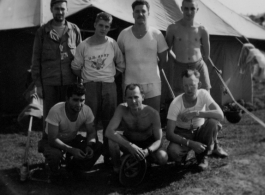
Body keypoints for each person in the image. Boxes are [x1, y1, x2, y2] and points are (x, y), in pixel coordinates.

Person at [71, 12, 125, 165]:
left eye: (107, 26)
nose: (103, 29)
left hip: (109, 85)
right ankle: (92, 153)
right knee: (91, 121)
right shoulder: (84, 45)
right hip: (91, 86)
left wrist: (110, 78)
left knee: (109, 121)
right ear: (95, 25)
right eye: (101, 25)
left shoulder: (112, 43)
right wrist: (86, 78)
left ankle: (109, 153)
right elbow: (75, 67)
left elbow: (121, 64)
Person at [31, 0, 82, 131]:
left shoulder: (74, 30)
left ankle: (69, 148)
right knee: (50, 118)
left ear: (67, 10)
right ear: (51, 9)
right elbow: (36, 60)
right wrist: (38, 85)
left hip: (70, 83)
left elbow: (81, 58)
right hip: (49, 84)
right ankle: (50, 149)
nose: (60, 12)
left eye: (62, 9)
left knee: (69, 117)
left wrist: (80, 83)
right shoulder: (42, 32)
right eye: (57, 9)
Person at [166, 69, 227, 171]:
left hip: (200, 131)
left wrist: (196, 114)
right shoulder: (176, 103)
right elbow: (169, 134)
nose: (189, 89)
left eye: (192, 85)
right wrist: (190, 143)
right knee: (173, 151)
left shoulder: (203, 94)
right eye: (185, 85)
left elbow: (220, 114)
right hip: (183, 133)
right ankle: (181, 157)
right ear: (182, 85)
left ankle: (202, 157)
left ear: (199, 84)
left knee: (213, 122)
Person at [40, 83, 103, 179]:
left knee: (97, 146)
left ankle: (72, 169)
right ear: (67, 98)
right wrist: (72, 150)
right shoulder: (56, 110)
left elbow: (92, 132)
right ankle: (54, 171)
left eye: (82, 100)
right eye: (75, 100)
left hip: (71, 139)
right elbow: (52, 139)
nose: (79, 104)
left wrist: (89, 145)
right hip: (52, 141)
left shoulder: (87, 110)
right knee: (55, 155)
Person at [117, 0, 168, 112]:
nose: (140, 14)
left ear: (148, 13)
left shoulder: (157, 34)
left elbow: (164, 59)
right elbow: (118, 59)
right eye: (137, 11)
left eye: (143, 11)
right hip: (130, 84)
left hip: (152, 84)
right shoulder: (124, 34)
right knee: (131, 119)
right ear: (133, 14)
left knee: (153, 117)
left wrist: (151, 72)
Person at [105, 84, 168, 173]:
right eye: (129, 98)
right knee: (112, 140)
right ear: (125, 98)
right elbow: (108, 131)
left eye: (136, 97)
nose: (133, 101)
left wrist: (147, 151)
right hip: (130, 144)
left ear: (143, 97)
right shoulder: (121, 109)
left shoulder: (153, 113)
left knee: (163, 157)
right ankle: (117, 168)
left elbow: (159, 140)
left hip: (147, 145)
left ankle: (143, 161)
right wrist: (130, 146)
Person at [166, 0, 211, 96]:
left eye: (192, 8)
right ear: (181, 9)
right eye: (186, 8)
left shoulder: (202, 29)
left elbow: (207, 54)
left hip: (198, 66)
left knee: (205, 95)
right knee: (179, 97)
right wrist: (176, 60)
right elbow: (167, 49)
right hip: (179, 67)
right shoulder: (173, 28)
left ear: (197, 9)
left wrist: (197, 62)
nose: (189, 12)